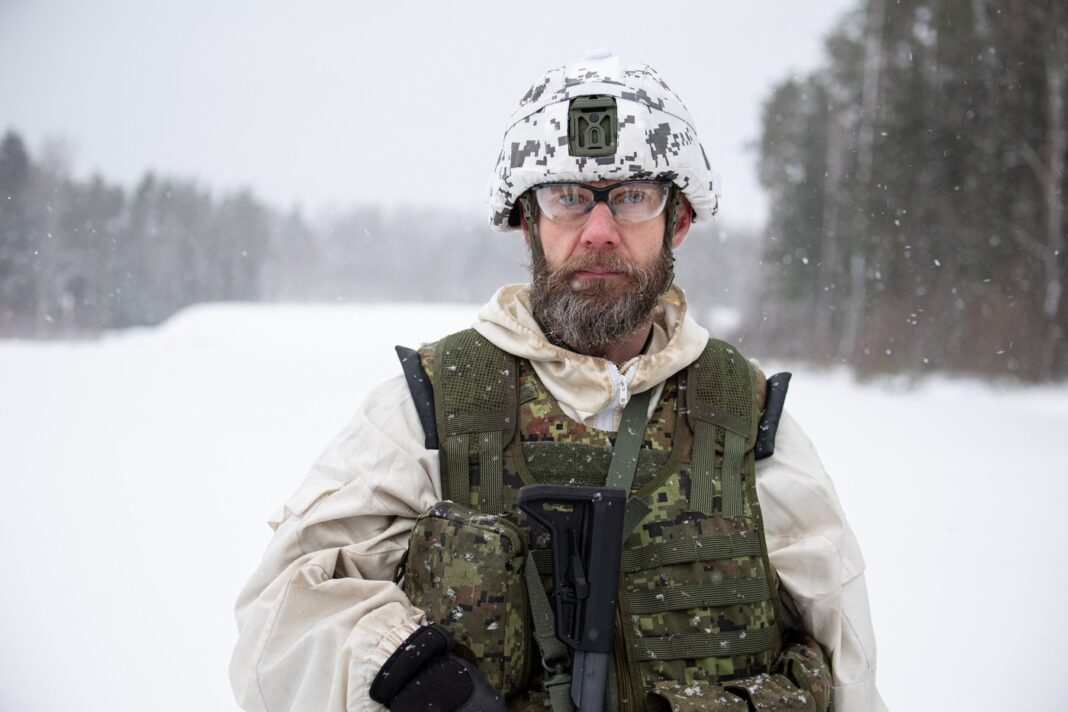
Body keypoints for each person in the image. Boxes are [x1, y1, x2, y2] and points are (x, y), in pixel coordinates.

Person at [230, 54, 887, 712]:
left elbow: (849, 668)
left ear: (679, 220)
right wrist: (409, 674)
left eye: (633, 195)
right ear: (528, 221)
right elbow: (281, 620)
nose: (599, 232)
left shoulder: (747, 418)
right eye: (568, 197)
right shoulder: (431, 407)